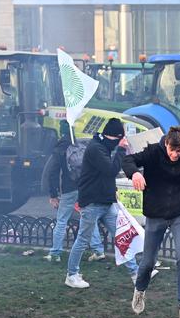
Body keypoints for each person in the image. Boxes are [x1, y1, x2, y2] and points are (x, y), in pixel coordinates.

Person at [125, 126, 180, 318]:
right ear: (166, 144)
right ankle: (140, 290)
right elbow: (128, 160)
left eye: (178, 151)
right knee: (148, 262)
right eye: (171, 150)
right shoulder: (153, 152)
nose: (174, 155)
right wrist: (135, 174)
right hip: (156, 212)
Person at [65, 118, 138, 288]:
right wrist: (120, 149)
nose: (121, 142)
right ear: (112, 137)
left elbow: (104, 175)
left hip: (105, 201)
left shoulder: (102, 146)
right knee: (83, 239)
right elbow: (111, 170)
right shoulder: (96, 149)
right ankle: (72, 275)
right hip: (92, 202)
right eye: (119, 139)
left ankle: (136, 273)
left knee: (122, 238)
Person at [41, 121, 104, 263]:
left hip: (69, 189)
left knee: (62, 220)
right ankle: (98, 250)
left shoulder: (60, 148)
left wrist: (53, 194)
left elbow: (53, 172)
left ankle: (55, 253)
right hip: (85, 186)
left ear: (61, 131)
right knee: (88, 218)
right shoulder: (80, 145)